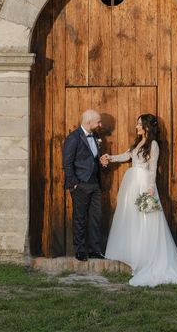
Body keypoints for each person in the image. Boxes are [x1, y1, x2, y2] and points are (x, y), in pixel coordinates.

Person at [103, 114, 177, 287]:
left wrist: (150, 190)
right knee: (132, 220)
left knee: (145, 221)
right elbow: (126, 156)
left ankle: (145, 260)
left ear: (147, 126)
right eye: (137, 123)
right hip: (132, 182)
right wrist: (110, 157)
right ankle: (135, 257)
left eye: (139, 124)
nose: (137, 126)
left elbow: (153, 168)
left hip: (143, 183)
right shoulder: (138, 142)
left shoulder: (153, 145)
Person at [62, 109, 109, 261]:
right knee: (80, 218)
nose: (100, 124)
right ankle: (80, 250)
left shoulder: (96, 136)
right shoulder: (73, 138)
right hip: (80, 184)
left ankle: (95, 250)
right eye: (98, 122)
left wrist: (101, 162)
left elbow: (92, 158)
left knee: (96, 217)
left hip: (95, 184)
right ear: (89, 122)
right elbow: (67, 163)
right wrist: (74, 183)